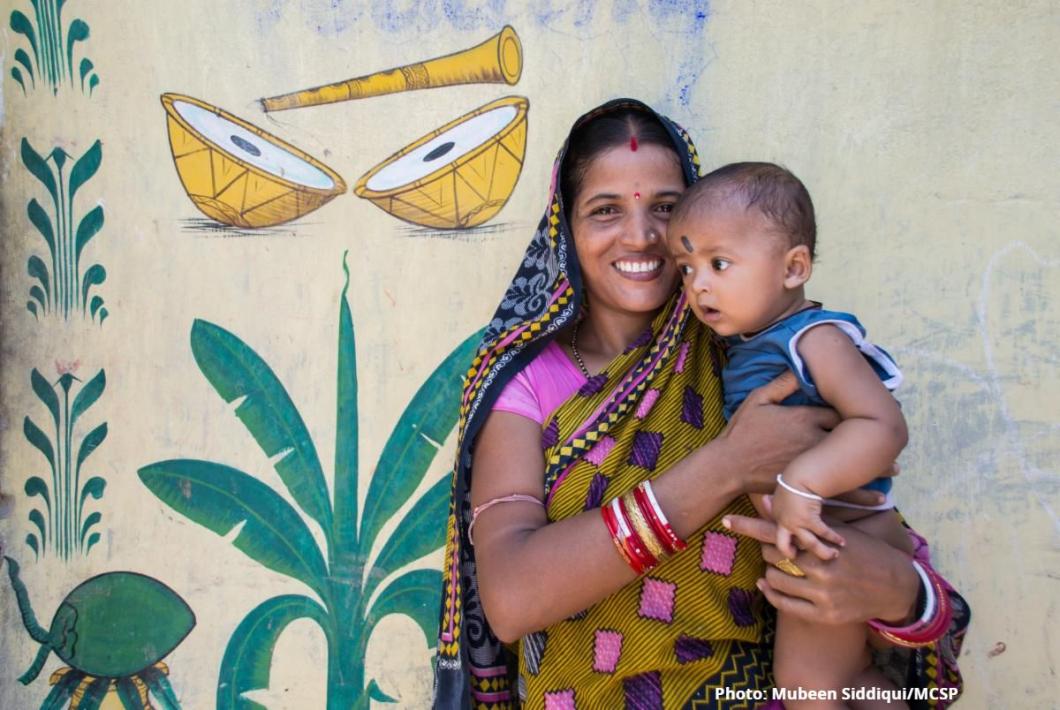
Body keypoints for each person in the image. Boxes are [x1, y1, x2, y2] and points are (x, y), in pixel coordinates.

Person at [433, 99, 968, 710]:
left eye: (664, 208)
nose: (641, 236)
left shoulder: (755, 355)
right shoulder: (524, 381)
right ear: (565, 229)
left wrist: (903, 595)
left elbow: (864, 528)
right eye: (605, 211)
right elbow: (511, 602)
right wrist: (725, 467)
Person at [666, 162, 917, 709]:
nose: (698, 284)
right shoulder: (755, 342)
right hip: (822, 540)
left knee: (810, 692)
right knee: (852, 679)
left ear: (793, 267)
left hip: (838, 540)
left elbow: (883, 425)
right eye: (685, 268)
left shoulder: (815, 339)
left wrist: (801, 485)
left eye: (719, 263)